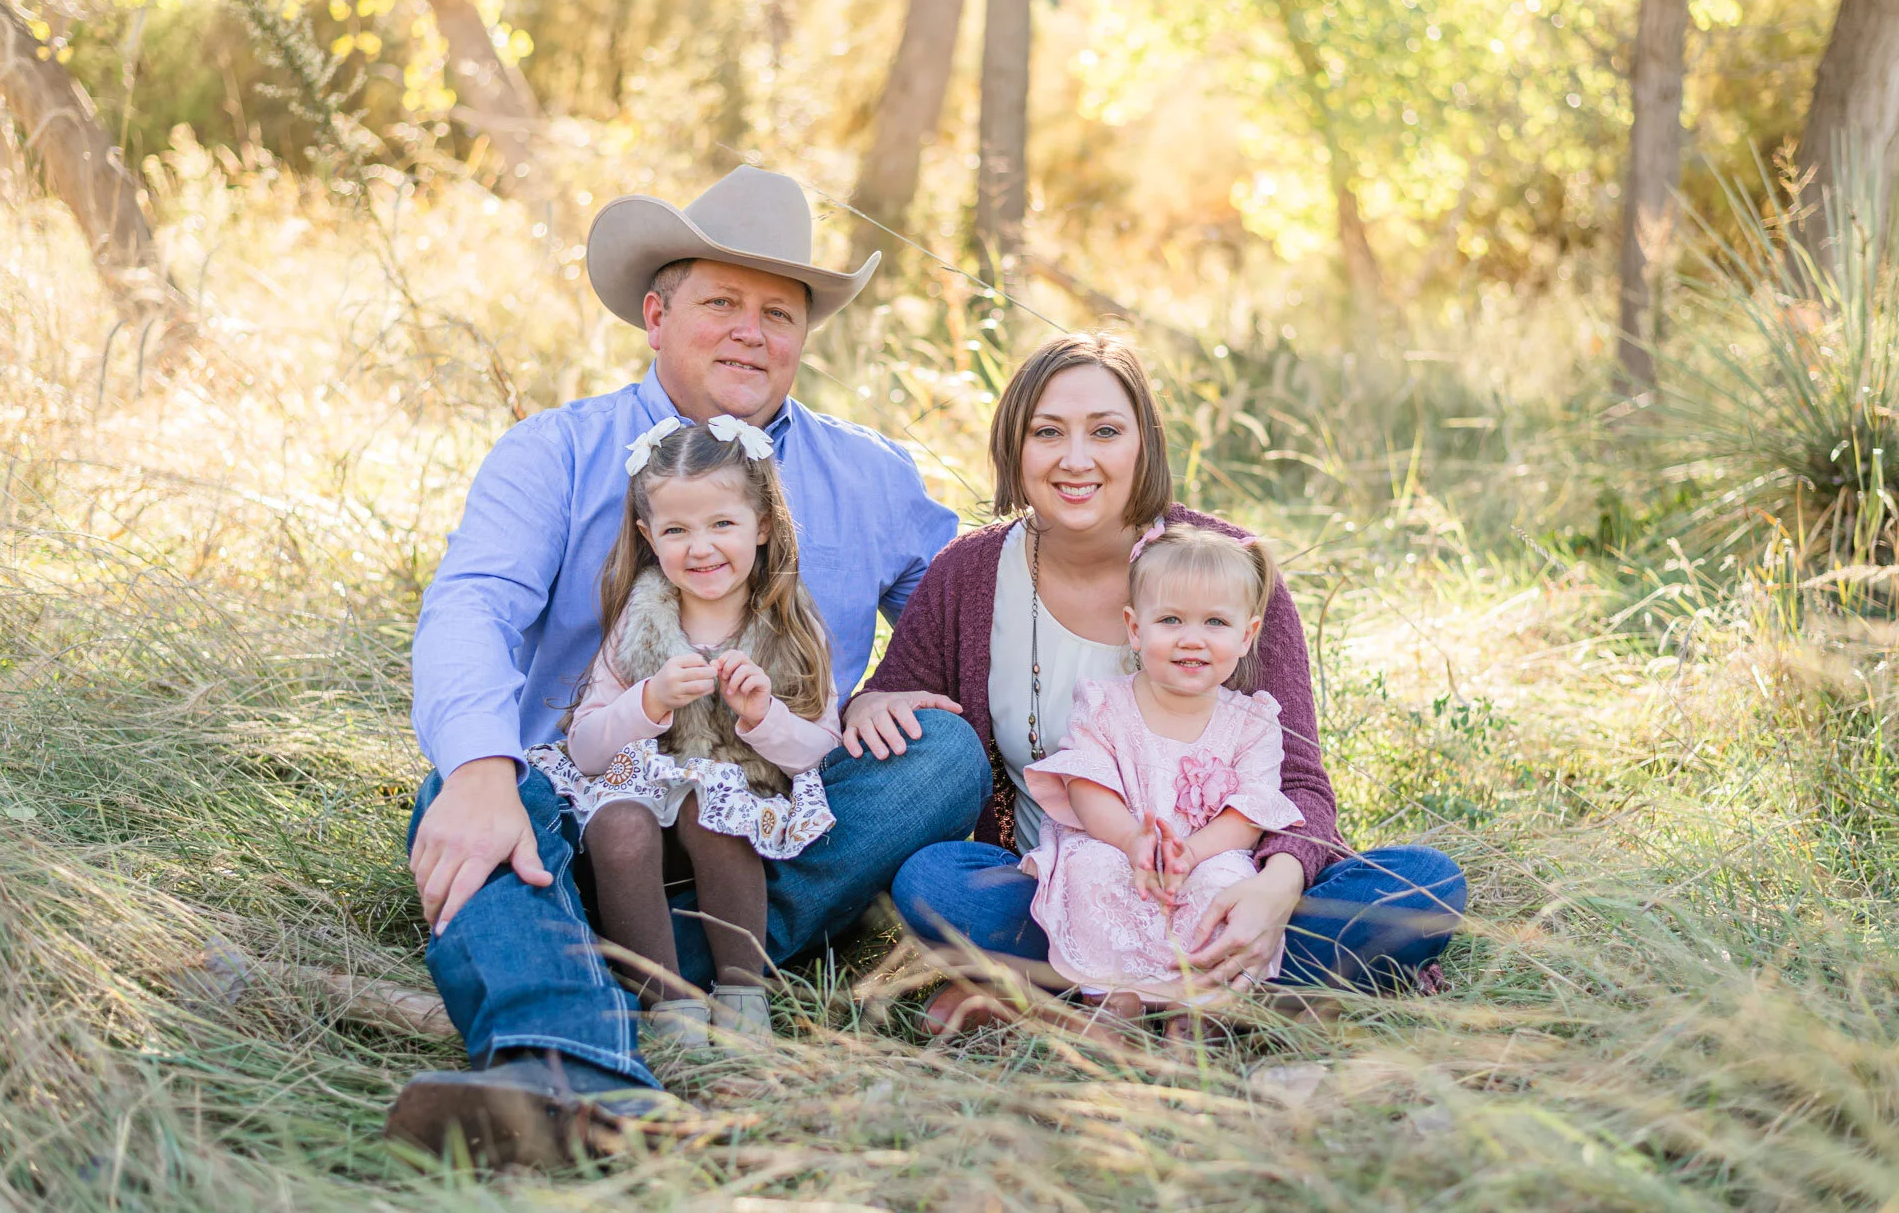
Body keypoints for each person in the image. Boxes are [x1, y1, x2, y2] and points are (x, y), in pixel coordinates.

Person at [389, 166, 985, 1167]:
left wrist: (896, 677)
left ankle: (591, 956)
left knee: (946, 755)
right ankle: (570, 1063)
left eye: (779, 312)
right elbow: (471, 608)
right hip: (588, 807)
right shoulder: (555, 451)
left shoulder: (871, 473)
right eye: (723, 303)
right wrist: (486, 770)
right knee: (465, 779)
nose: (753, 331)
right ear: (657, 315)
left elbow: (966, 603)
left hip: (763, 814)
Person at [859, 333, 1466, 1036]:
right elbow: (892, 693)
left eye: (1106, 431)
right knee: (933, 883)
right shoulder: (967, 575)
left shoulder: (1225, 571)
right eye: (1047, 432)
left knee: (1424, 884)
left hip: (1222, 889)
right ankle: (1230, 999)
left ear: (1142, 443)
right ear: (1013, 448)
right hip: (1068, 893)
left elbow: (1299, 785)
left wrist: (1275, 890)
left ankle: (1092, 993)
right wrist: (873, 702)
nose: (1076, 459)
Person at [528, 416, 841, 1049]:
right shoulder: (641, 621)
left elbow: (821, 751)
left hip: (729, 820)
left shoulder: (789, 625)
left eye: (722, 524)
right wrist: (649, 699)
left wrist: (762, 718)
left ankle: (741, 992)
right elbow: (586, 750)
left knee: (710, 806)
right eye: (677, 530)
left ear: (763, 524)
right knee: (619, 823)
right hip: (634, 807)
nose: (700, 549)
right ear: (649, 536)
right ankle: (668, 1006)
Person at [1020, 522, 1307, 1035]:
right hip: (1118, 847)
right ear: (1135, 628)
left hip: (1205, 855)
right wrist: (1133, 839)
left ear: (1247, 635)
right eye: (1170, 619)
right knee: (1089, 868)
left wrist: (1190, 853)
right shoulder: (1104, 703)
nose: (1191, 639)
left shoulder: (1254, 720)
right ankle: (1113, 995)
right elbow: (1087, 786)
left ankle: (1197, 1006)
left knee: (1228, 882)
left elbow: (1249, 815)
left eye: (1215, 622)